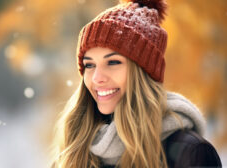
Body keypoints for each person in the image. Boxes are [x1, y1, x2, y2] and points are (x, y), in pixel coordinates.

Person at [51, 0, 222, 167]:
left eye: (113, 62)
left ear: (143, 72)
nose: (97, 78)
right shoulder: (71, 155)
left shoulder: (191, 154)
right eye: (89, 65)